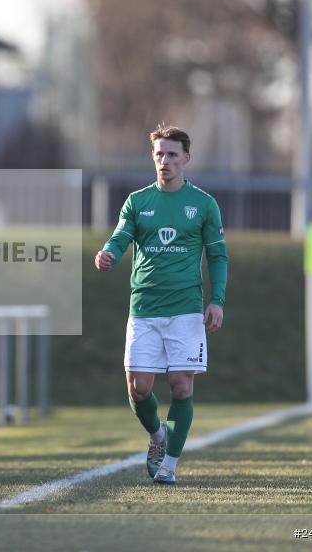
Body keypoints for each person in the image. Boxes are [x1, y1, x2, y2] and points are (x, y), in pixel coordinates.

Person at [94, 125, 228, 485]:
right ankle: (157, 435)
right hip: (144, 308)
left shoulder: (203, 204)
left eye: (171, 154)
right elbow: (121, 235)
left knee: (181, 386)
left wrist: (216, 301)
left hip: (185, 308)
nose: (164, 161)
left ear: (186, 158)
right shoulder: (138, 201)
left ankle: (169, 463)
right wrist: (109, 252)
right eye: (159, 154)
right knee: (138, 388)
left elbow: (218, 255)